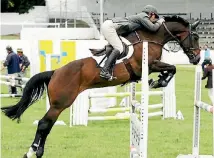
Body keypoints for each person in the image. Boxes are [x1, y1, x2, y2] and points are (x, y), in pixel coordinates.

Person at [100, 4, 165, 81]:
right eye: (155, 17)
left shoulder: (141, 19)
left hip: (111, 27)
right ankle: (104, 71)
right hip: (110, 27)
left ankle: (109, 70)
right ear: (151, 14)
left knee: (119, 48)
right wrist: (160, 21)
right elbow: (153, 28)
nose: (155, 20)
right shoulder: (143, 16)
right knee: (119, 48)